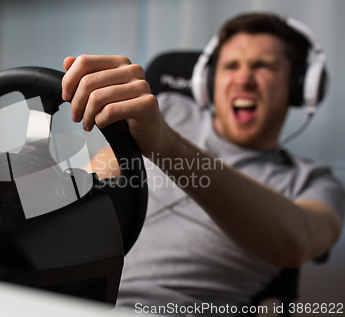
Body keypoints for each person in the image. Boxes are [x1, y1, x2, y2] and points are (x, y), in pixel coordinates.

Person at [61, 13, 344, 315]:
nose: (243, 79)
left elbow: (297, 244)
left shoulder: (313, 182)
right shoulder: (165, 109)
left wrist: (166, 145)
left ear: (300, 86)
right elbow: (80, 197)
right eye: (230, 66)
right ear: (207, 81)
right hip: (62, 296)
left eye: (264, 66)